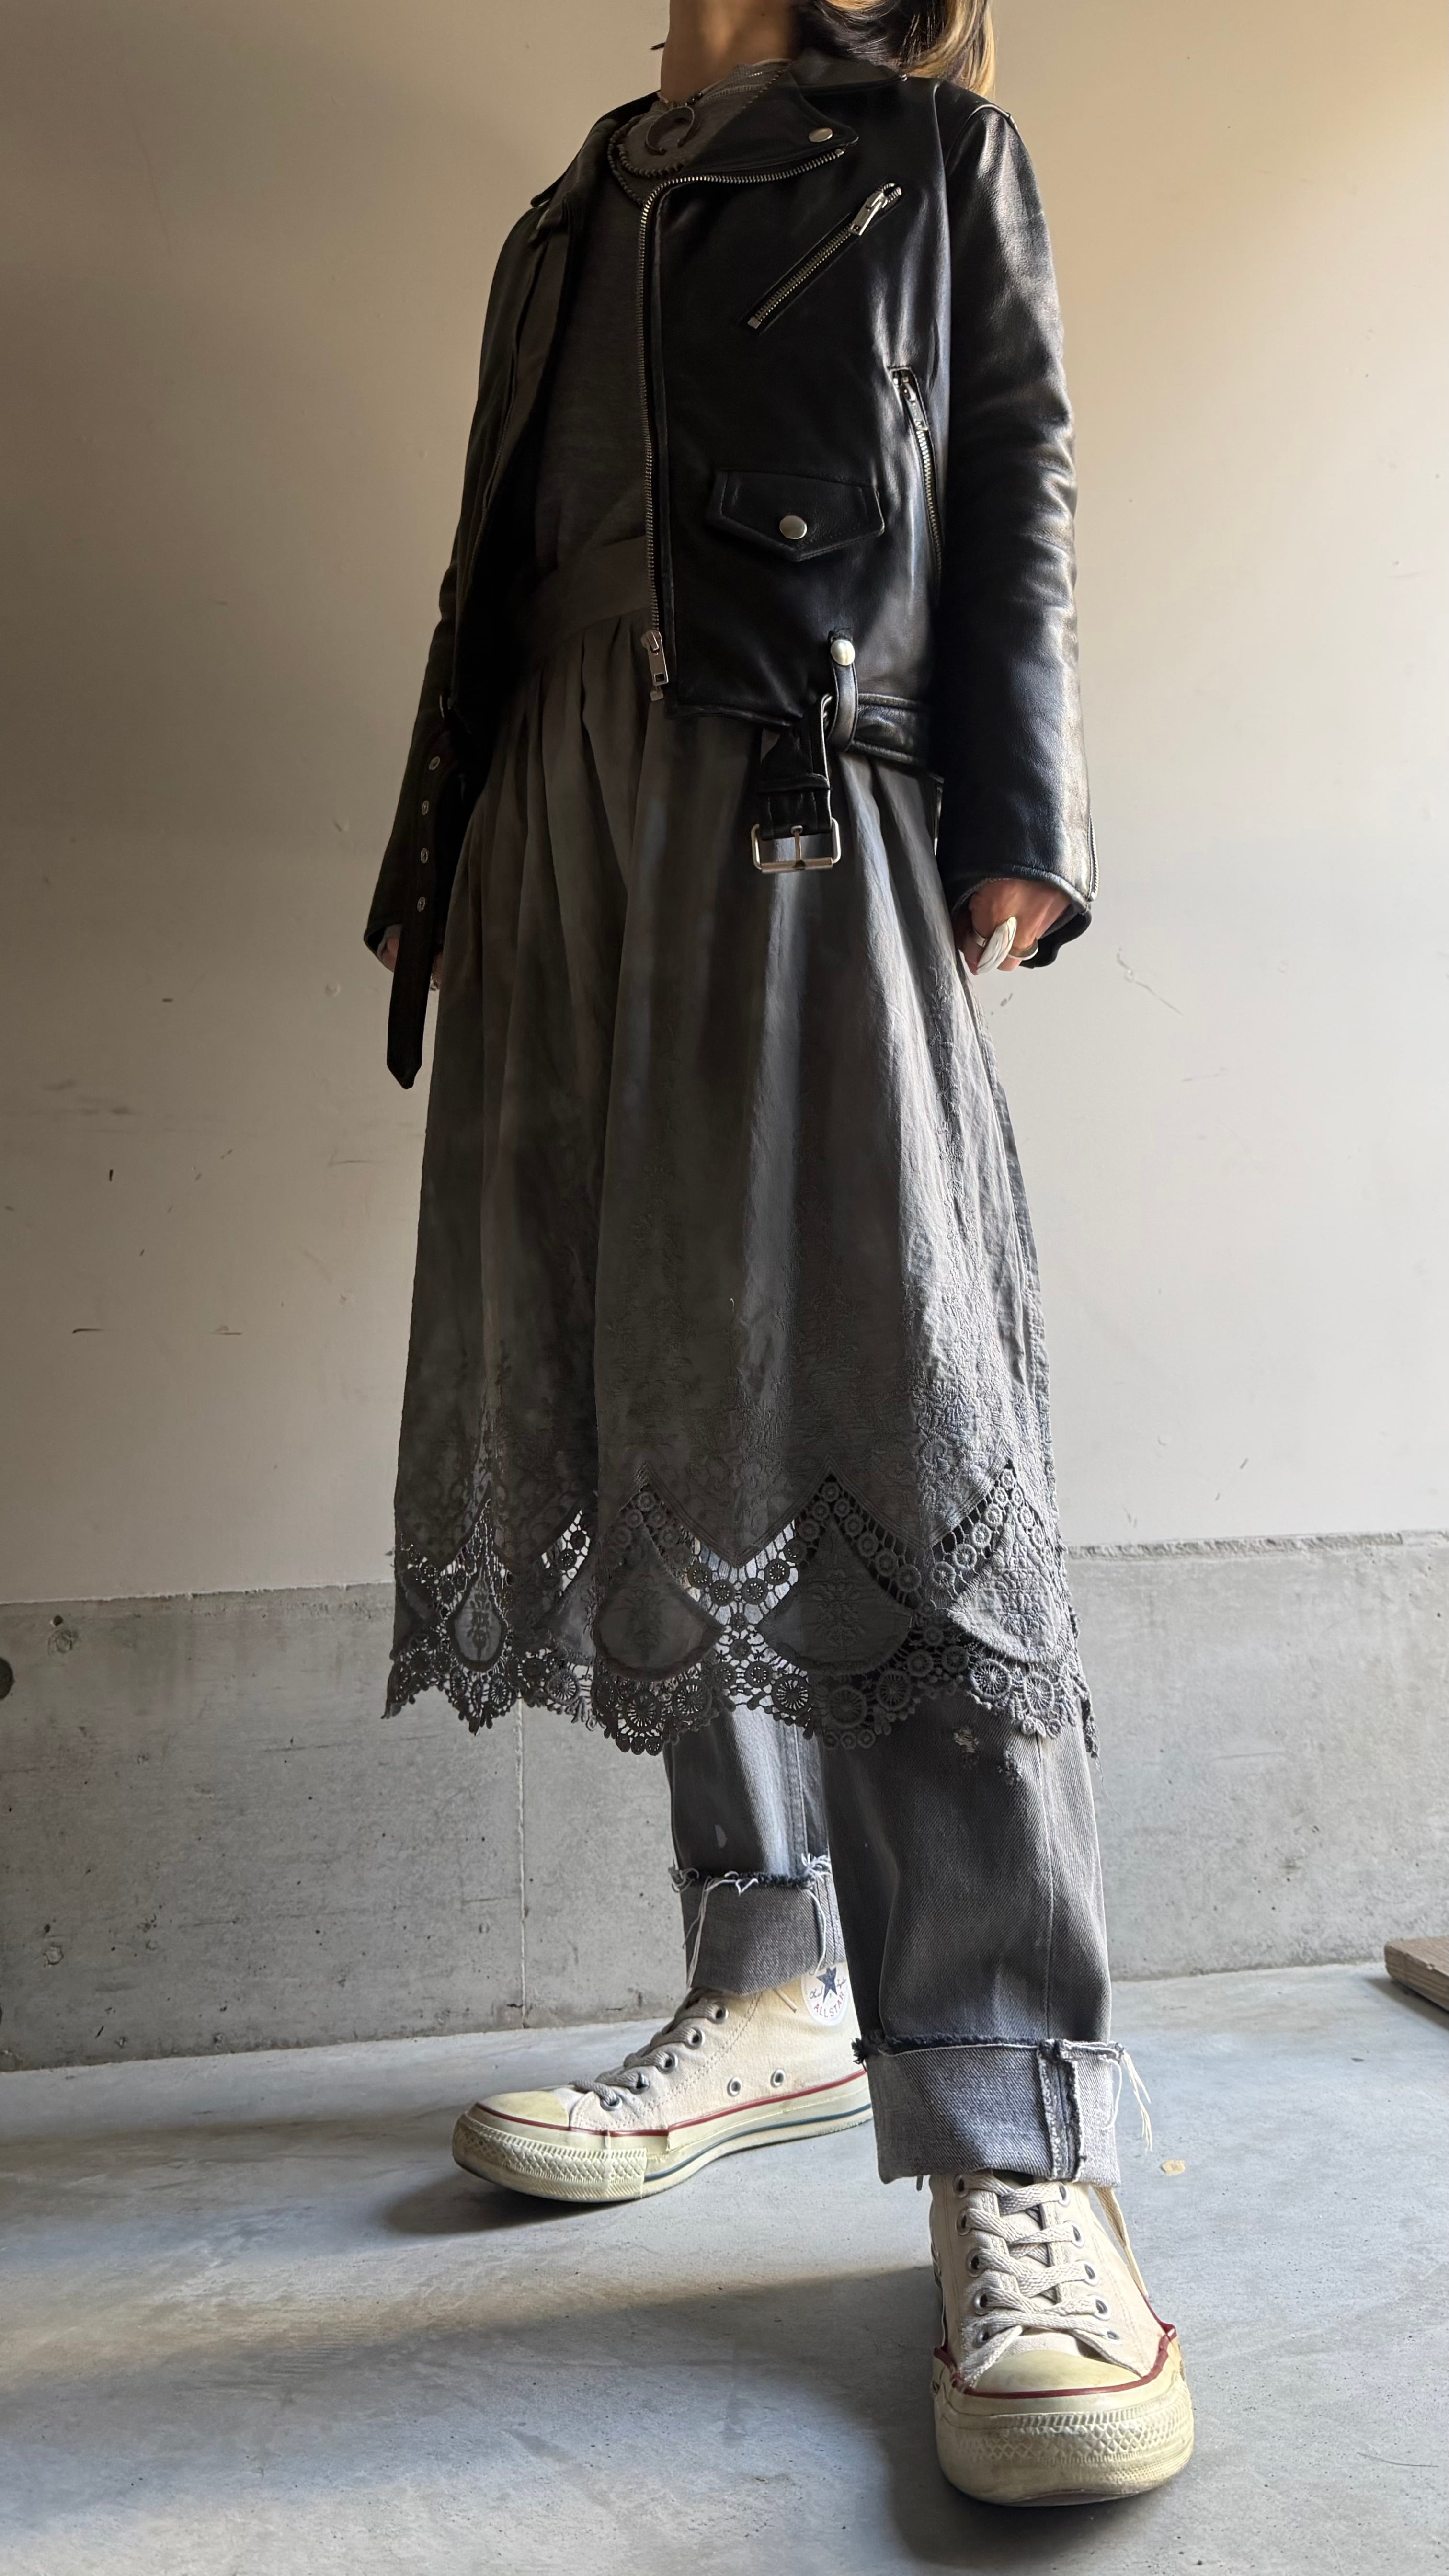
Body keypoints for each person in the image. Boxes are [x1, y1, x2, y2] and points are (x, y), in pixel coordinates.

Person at [367, 0, 1193, 2508]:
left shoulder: (932, 153)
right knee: (663, 1401)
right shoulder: (572, 201)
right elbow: (498, 574)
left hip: (797, 797)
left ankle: (1017, 2131)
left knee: (892, 1421)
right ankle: (768, 1984)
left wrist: (1022, 799)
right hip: (554, 826)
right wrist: (433, 859)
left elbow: (1018, 467)